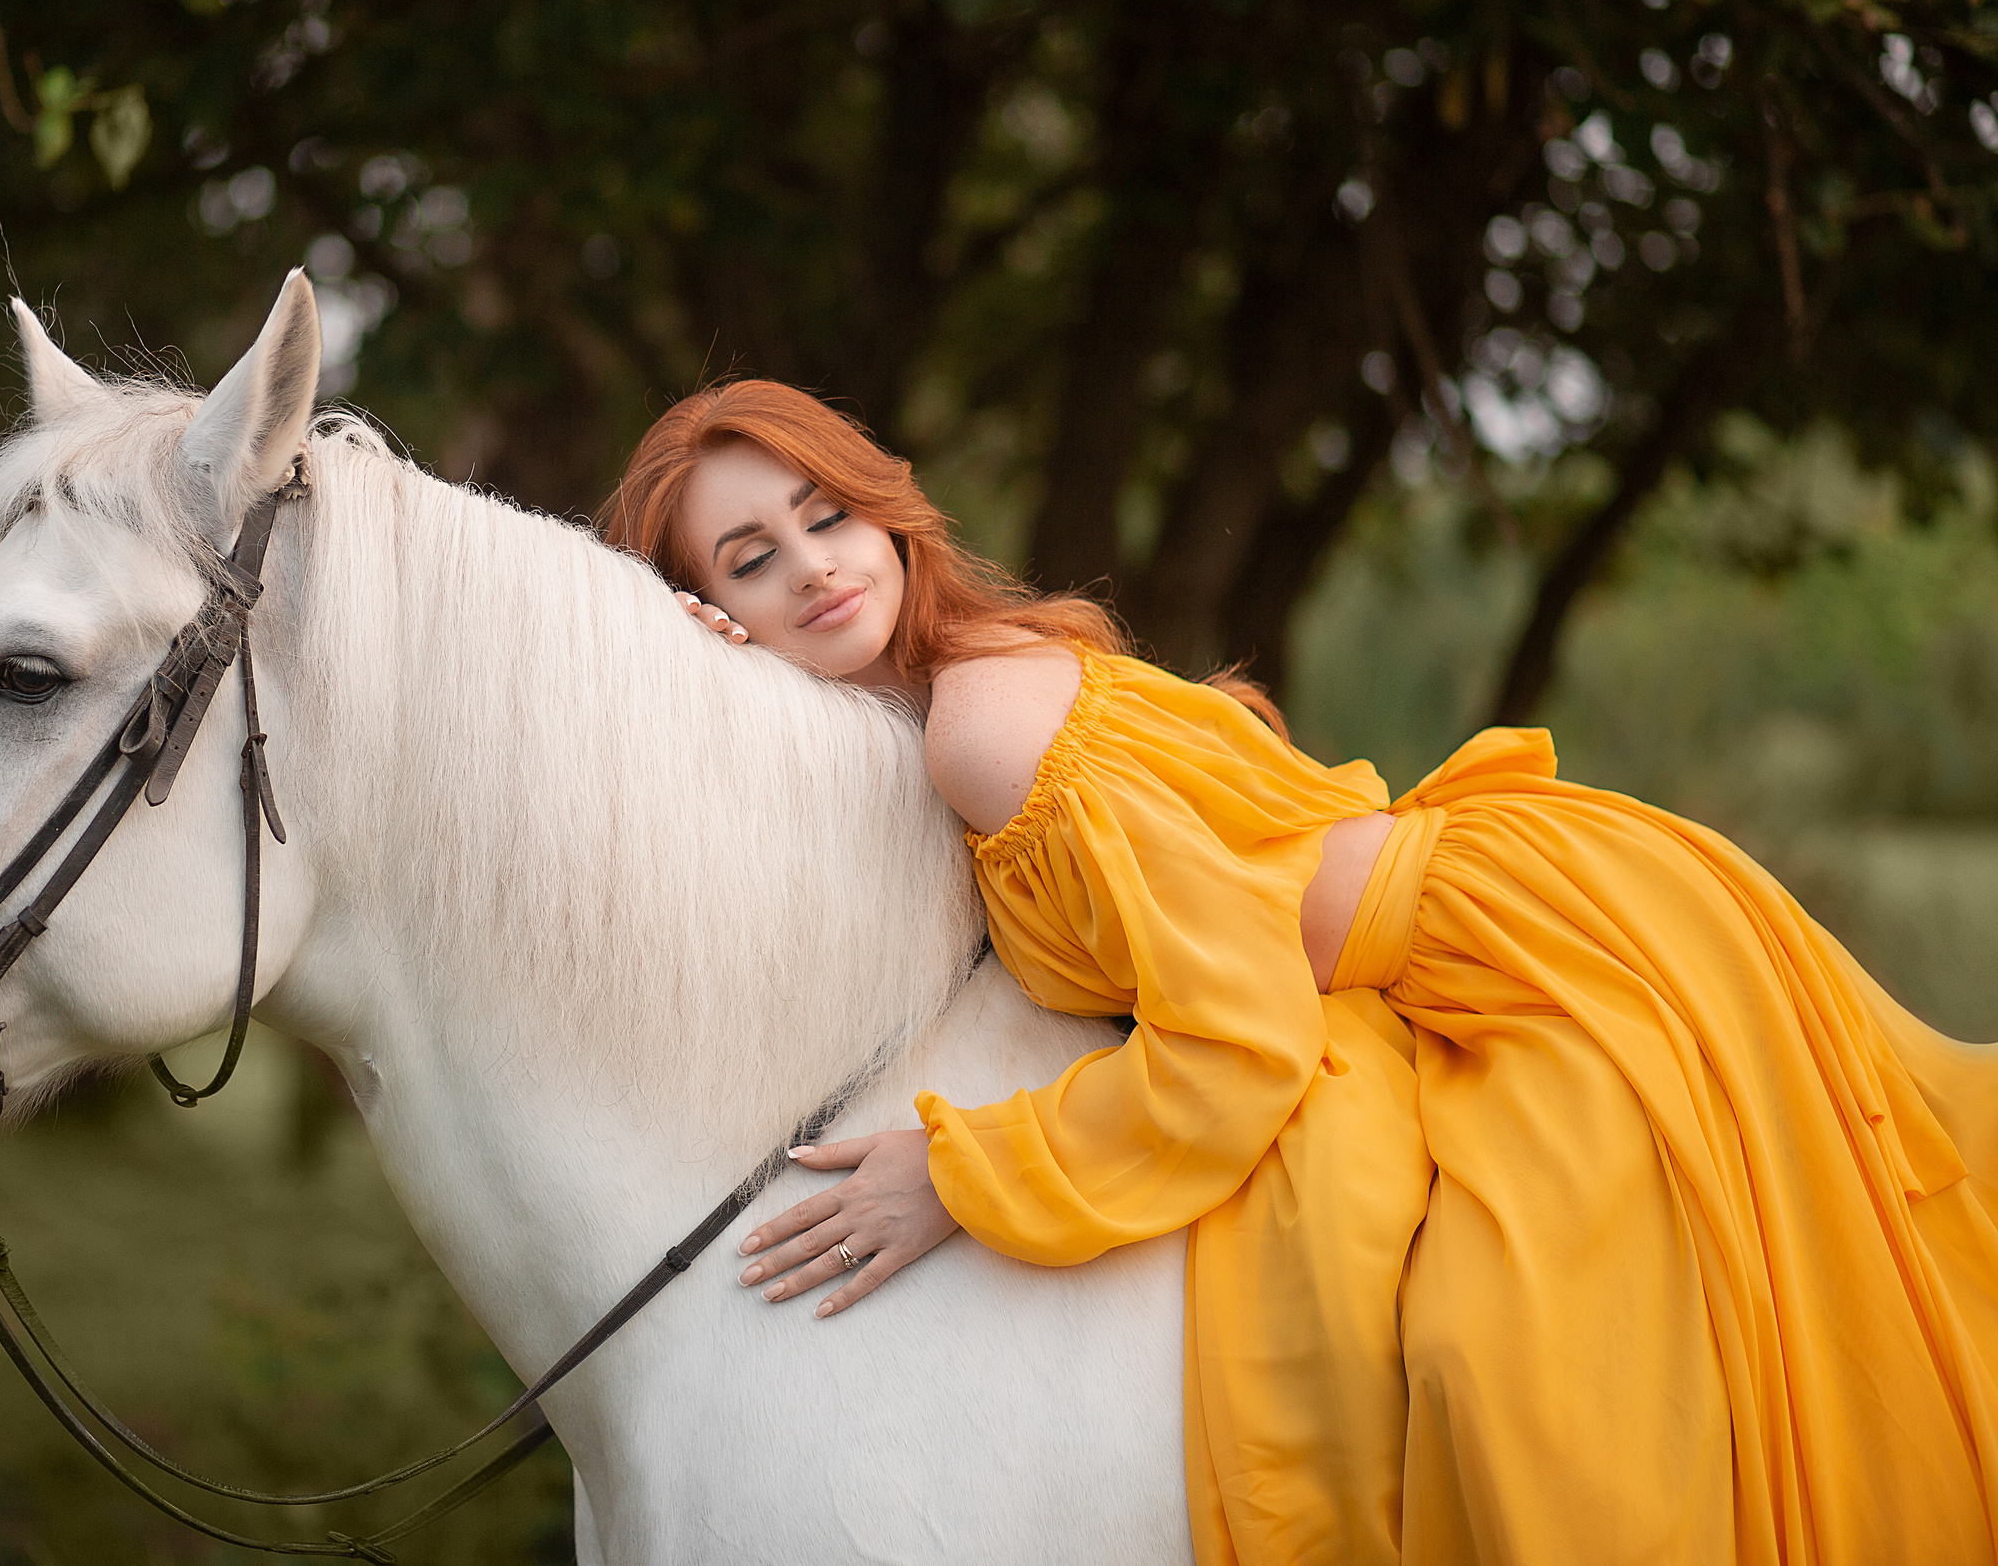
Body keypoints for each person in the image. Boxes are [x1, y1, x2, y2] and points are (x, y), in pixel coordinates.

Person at [598, 378, 1998, 1566]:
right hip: (1493, 922)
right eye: (751, 561)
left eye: (827, 516)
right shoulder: (947, 698)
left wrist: (968, 1173)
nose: (812, 567)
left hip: (1520, 944)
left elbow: (1240, 1032)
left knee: (1511, 1364)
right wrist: (702, 682)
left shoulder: (980, 725)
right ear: (713, 611)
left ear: (887, 513)